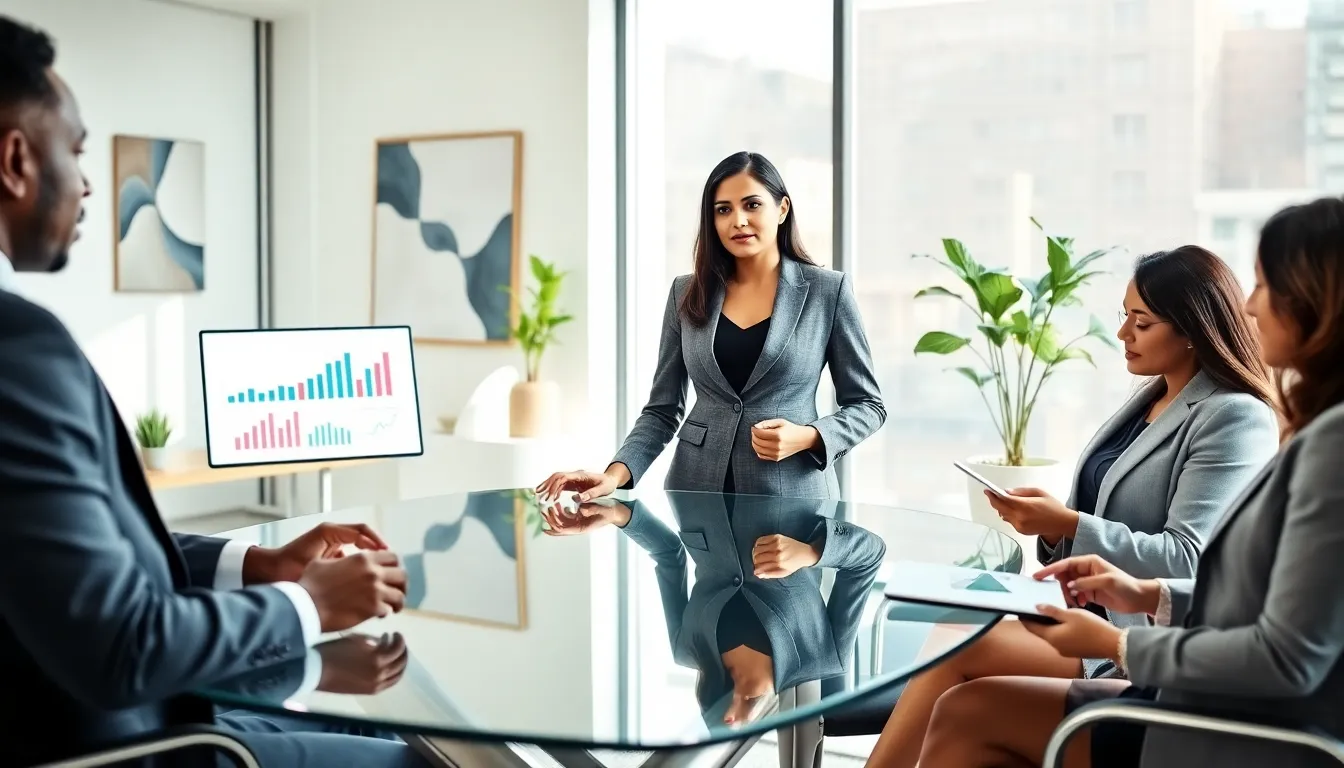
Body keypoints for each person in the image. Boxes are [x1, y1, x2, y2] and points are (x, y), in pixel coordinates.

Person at [0, 16, 426, 767]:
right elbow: (121, 647)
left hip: (136, 714)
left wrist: (259, 567)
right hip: (143, 746)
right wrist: (311, 604)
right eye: (74, 151)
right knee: (426, 758)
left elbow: (68, 573)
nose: (90, 181)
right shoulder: (18, 351)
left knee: (388, 731)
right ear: (14, 160)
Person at [913, 197, 1344, 768]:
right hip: (1185, 678)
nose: (1249, 305)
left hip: (1226, 725)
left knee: (969, 709)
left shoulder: (1310, 435)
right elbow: (1259, 600)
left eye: (1265, 285)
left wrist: (1118, 641)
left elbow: (1284, 652)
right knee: (962, 684)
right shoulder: (1164, 403)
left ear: (1315, 302)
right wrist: (1144, 594)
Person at [536, 151, 884, 503]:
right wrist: (614, 475)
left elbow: (868, 405)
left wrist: (809, 436)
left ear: (782, 209)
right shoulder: (685, 293)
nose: (738, 221)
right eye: (723, 209)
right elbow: (662, 409)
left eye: (752, 205)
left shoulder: (828, 291)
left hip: (795, 498)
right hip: (694, 492)